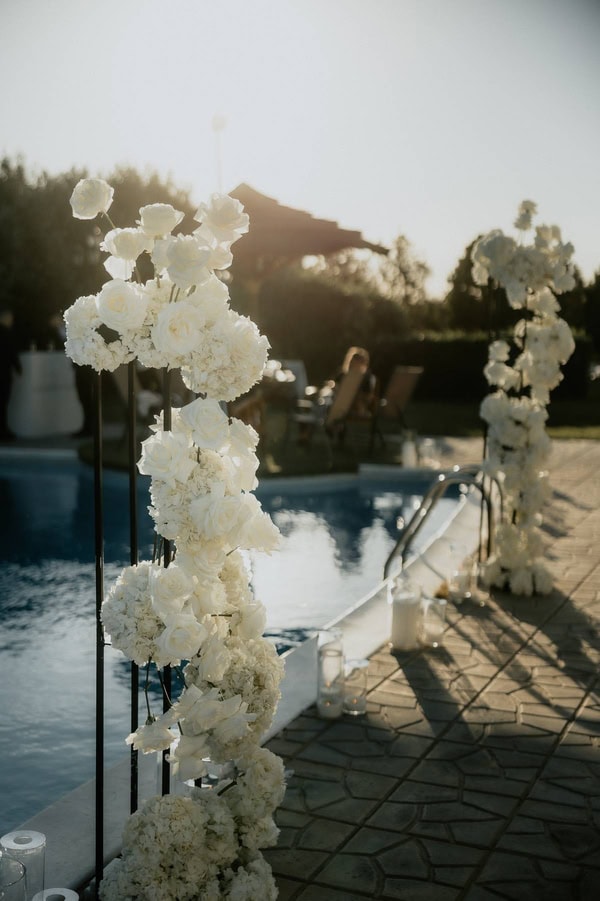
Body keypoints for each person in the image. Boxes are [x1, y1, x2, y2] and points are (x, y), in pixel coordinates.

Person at [333, 346, 377, 418]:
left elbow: (369, 398)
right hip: (340, 408)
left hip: (358, 410)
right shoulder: (342, 375)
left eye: (358, 361)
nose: (354, 364)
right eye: (353, 361)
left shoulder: (367, 379)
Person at [0, 307, 22, 441]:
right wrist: (18, 367)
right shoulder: (5, 333)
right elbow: (10, 352)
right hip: (3, 374)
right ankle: (3, 431)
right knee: (3, 402)